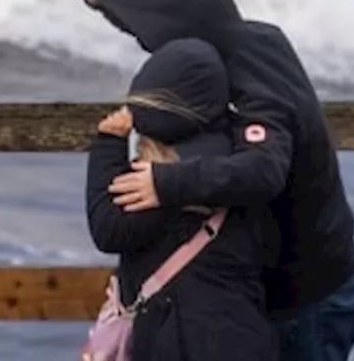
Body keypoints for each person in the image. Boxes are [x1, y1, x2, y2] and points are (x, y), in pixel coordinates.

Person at [72, 0, 354, 361]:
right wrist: (112, 1)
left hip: (305, 287)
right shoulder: (234, 41)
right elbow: (174, 24)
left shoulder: (256, 74)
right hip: (266, 279)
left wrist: (164, 183)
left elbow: (264, 169)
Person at [86, 37, 277, 361]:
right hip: (243, 331)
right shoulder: (242, 161)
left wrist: (108, 146)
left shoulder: (161, 177)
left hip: (180, 337)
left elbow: (109, 229)